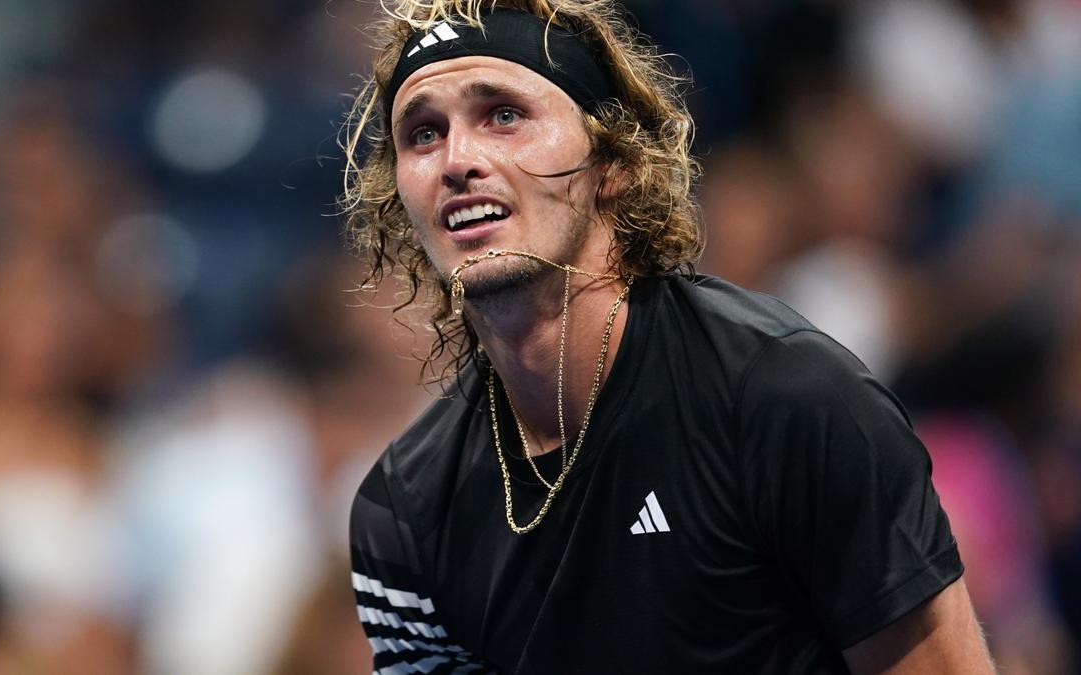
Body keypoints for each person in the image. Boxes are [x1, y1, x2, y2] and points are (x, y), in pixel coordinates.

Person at [341, 1, 994, 672]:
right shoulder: (403, 511)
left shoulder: (789, 399)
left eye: (503, 115)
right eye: (421, 134)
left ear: (614, 163)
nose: (457, 159)